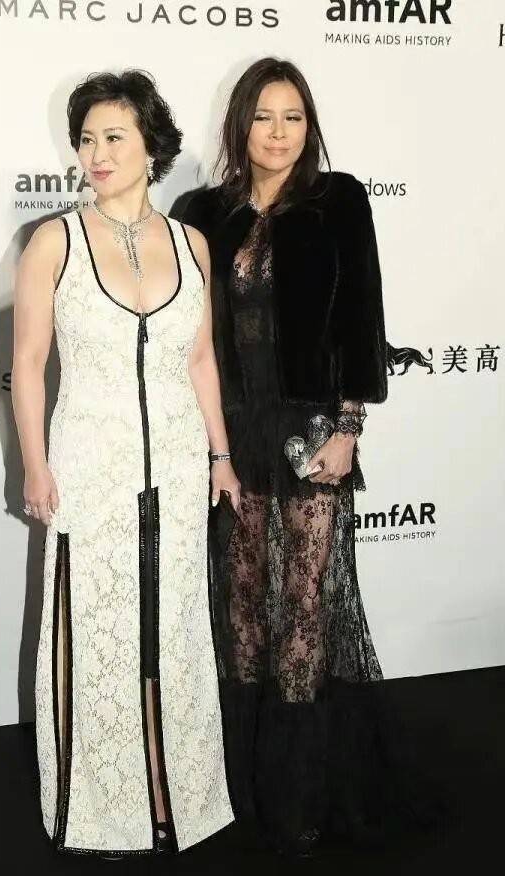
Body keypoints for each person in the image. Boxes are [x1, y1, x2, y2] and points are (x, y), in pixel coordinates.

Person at [179, 57, 427, 855]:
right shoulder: (201, 213)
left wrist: (349, 427)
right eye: (263, 116)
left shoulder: (338, 201)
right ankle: (241, 787)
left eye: (293, 117)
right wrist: (207, 443)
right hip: (232, 435)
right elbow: (190, 338)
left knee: (306, 607)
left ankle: (302, 794)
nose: (279, 132)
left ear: (309, 126)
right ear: (239, 125)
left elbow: (361, 315)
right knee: (242, 606)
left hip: (313, 430)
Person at [11, 69, 239, 857]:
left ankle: (180, 801)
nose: (96, 154)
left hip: (177, 463)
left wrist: (220, 456)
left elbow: (201, 360)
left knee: (174, 633)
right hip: (89, 464)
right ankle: (98, 816)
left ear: (152, 145)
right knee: (95, 635)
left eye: (113, 136)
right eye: (85, 139)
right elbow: (28, 362)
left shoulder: (191, 243)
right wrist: (35, 465)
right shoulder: (55, 242)